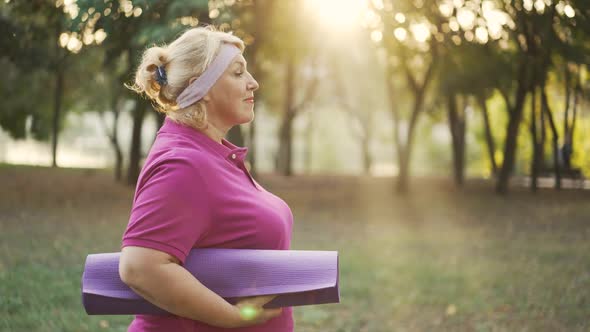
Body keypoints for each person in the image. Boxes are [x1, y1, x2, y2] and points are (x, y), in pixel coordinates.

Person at [119, 26, 294, 332]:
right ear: (202, 86)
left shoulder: (211, 154)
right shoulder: (183, 163)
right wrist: (233, 318)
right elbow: (140, 267)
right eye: (238, 73)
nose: (254, 83)